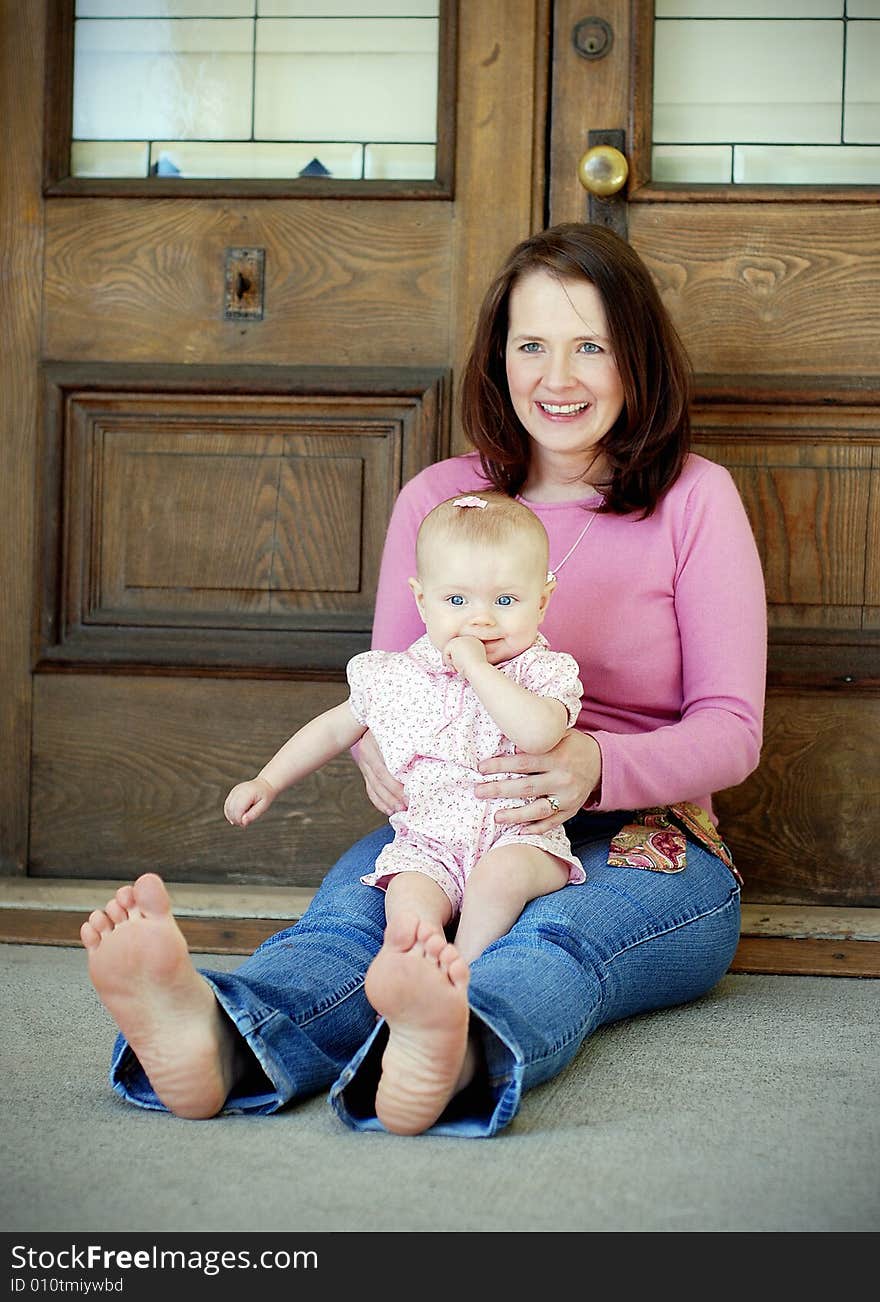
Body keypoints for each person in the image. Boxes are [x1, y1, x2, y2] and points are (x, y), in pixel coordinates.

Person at [80, 221, 767, 1139]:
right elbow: (387, 693)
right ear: (499, 358)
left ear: (636, 357)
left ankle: (456, 1041)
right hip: (457, 820)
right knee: (356, 929)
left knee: (550, 942)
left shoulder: (694, 499)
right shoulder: (442, 500)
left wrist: (591, 766)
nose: (556, 378)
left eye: (590, 346)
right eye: (531, 345)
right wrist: (379, 756)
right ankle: (215, 1035)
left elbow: (732, 728)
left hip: (650, 835)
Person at [223, 491, 586, 981]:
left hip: (518, 836)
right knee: (407, 897)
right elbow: (333, 728)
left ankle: (466, 967)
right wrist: (266, 782)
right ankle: (420, 963)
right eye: (456, 600)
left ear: (541, 602)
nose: (481, 619)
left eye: (505, 601)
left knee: (499, 882)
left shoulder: (544, 671)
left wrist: (478, 670)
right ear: (422, 600)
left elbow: (540, 734)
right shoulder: (396, 675)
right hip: (429, 841)